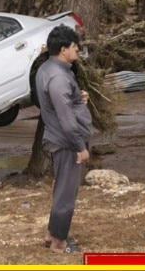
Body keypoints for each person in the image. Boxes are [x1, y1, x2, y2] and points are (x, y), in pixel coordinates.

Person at [35, 24, 92, 254]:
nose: (76, 49)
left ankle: (51, 234)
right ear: (63, 49)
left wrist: (79, 99)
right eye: (73, 46)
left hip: (60, 139)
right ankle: (59, 243)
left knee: (61, 190)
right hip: (67, 143)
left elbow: (57, 102)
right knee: (67, 193)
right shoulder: (58, 77)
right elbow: (66, 119)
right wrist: (80, 147)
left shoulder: (47, 69)